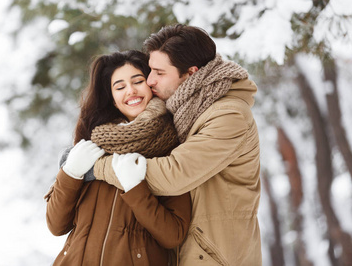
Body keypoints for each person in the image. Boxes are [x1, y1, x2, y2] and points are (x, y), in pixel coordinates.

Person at [92, 24, 262, 265]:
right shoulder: (185, 112)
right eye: (150, 70)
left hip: (217, 256)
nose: (150, 80)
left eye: (159, 73)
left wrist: (97, 167)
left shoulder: (229, 115)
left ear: (191, 73)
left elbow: (174, 174)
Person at [45, 50, 191, 266]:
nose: (130, 91)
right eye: (120, 87)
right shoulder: (91, 146)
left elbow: (173, 235)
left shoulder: (171, 147)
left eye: (138, 81)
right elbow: (56, 225)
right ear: (112, 99)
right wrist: (71, 173)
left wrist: (135, 188)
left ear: (151, 85)